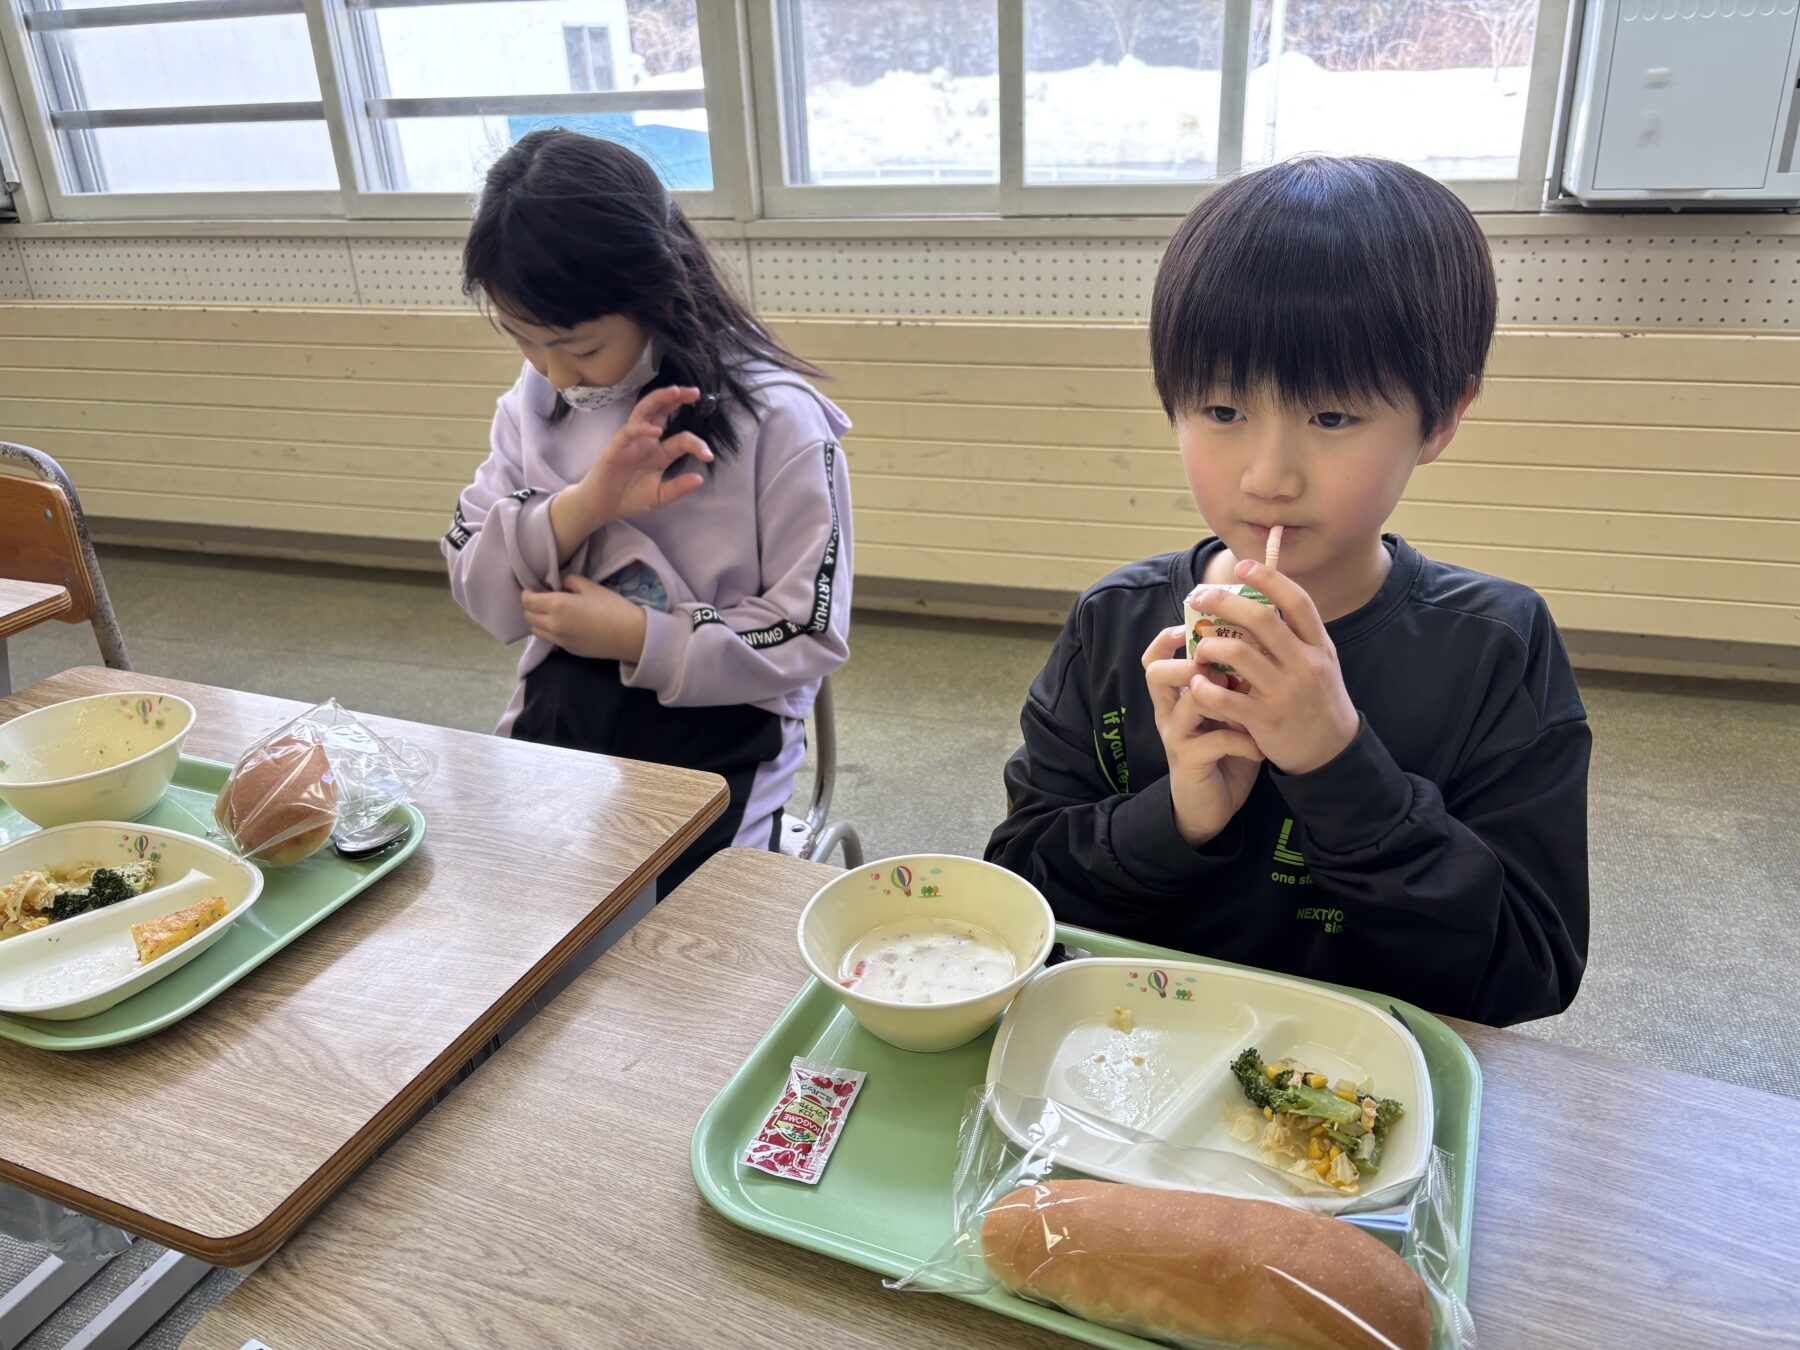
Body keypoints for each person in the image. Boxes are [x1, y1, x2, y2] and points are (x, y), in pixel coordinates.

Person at [987, 157, 1589, 1025]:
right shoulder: (1115, 623)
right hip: (1131, 1059)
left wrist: (1337, 764)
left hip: (1363, 1099)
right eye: (1223, 413)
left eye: (1332, 418)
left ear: (1443, 418)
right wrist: (1176, 817)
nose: (1269, 478)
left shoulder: (1498, 644)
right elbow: (1022, 897)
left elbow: (1528, 971)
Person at [444, 131, 852, 894]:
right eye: (522, 340)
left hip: (727, 714)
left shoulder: (780, 420)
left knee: (677, 939)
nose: (553, 372)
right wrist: (582, 506)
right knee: (509, 892)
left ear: (657, 290)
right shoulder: (534, 401)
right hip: (569, 692)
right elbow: (475, 579)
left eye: (578, 346)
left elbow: (809, 630)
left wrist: (641, 635)